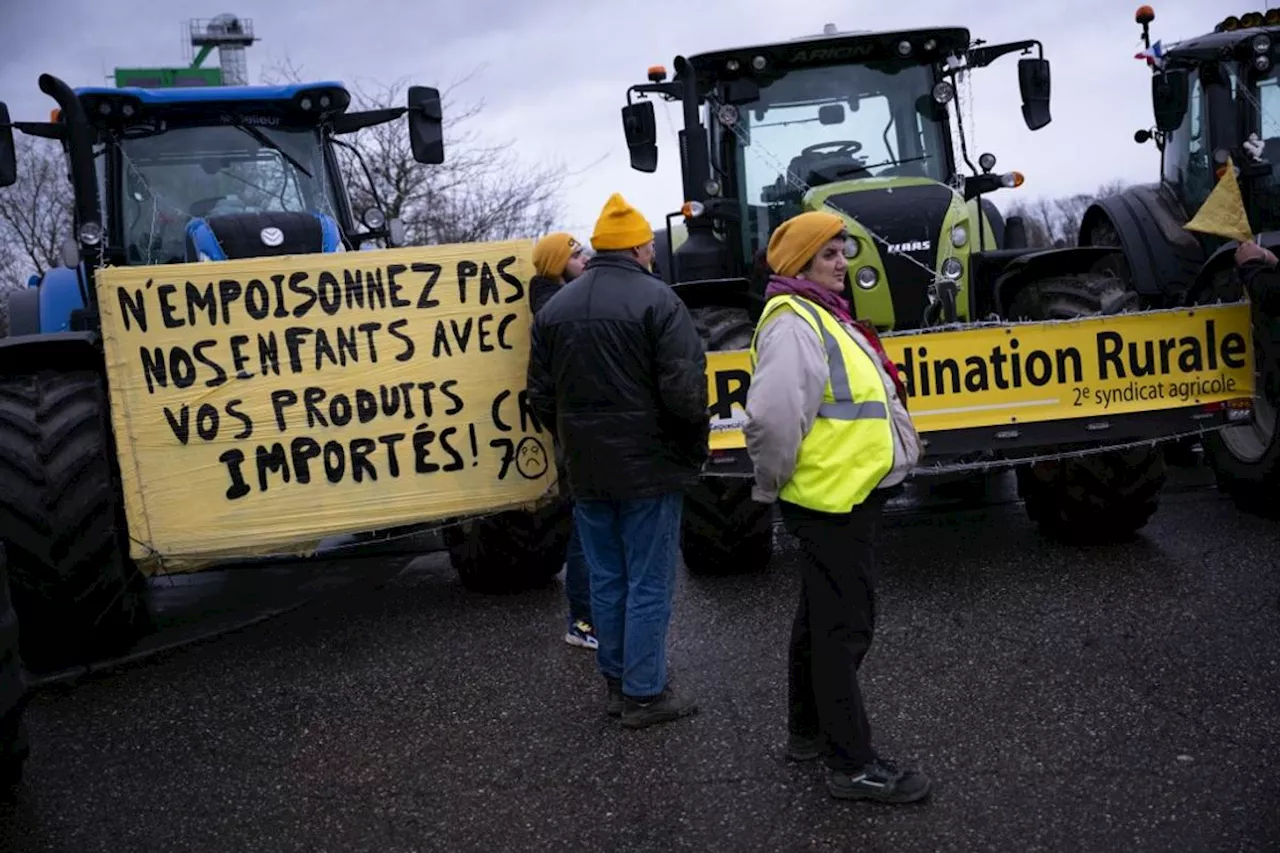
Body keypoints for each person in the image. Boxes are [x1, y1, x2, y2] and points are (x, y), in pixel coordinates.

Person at [743, 210, 929, 804]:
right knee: (843, 632)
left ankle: (807, 734)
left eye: (843, 251)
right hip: (832, 502)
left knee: (818, 622)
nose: (843, 262)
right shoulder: (796, 323)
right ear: (800, 263)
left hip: (840, 496)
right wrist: (770, 485)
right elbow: (772, 420)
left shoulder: (817, 315)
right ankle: (851, 765)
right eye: (829, 254)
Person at [526, 193, 709, 729]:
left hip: (586, 470)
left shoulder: (555, 309)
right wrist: (689, 451)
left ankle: (616, 680)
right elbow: (685, 394)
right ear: (635, 247)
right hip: (649, 469)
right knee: (649, 580)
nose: (653, 251)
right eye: (649, 244)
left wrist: (570, 443)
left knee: (606, 579)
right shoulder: (659, 301)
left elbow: (538, 395)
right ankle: (645, 694)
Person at [529, 232, 597, 651]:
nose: (586, 258)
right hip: (574, 434)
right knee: (586, 530)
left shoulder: (555, 302)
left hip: (573, 431)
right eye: (576, 254)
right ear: (557, 262)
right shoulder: (554, 310)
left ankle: (588, 619)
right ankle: (583, 622)